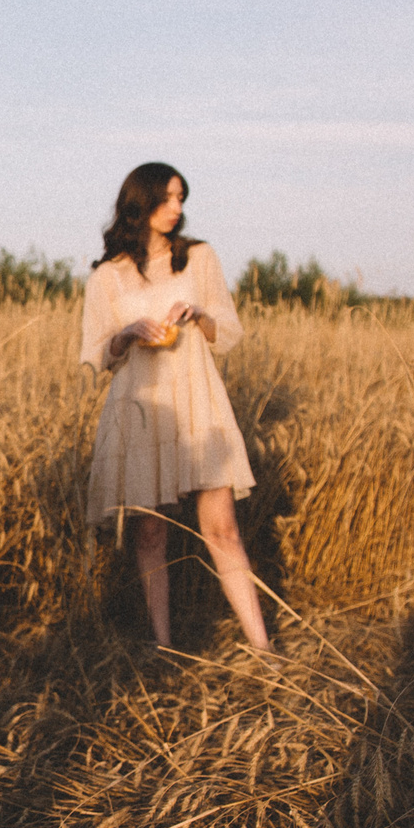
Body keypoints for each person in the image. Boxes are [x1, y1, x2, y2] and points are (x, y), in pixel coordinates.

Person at [78, 162, 271, 654]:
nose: (177, 209)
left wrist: (199, 314)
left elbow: (227, 330)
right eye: (167, 198)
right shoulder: (106, 276)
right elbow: (96, 353)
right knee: (149, 533)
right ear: (139, 203)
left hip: (199, 399)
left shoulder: (199, 258)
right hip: (141, 407)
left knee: (222, 526)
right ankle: (164, 647)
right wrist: (125, 334)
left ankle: (264, 649)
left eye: (181, 198)